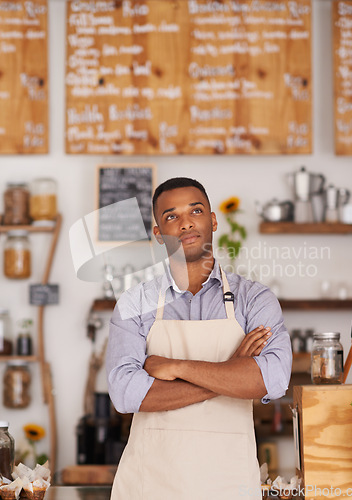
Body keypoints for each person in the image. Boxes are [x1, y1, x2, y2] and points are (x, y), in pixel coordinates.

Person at [106, 177, 292, 500]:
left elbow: (272, 378)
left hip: (229, 484)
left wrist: (175, 366)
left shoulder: (254, 299)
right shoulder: (134, 303)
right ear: (158, 234)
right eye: (171, 216)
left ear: (213, 220)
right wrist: (232, 369)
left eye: (196, 210)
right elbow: (125, 393)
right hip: (150, 484)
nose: (186, 223)